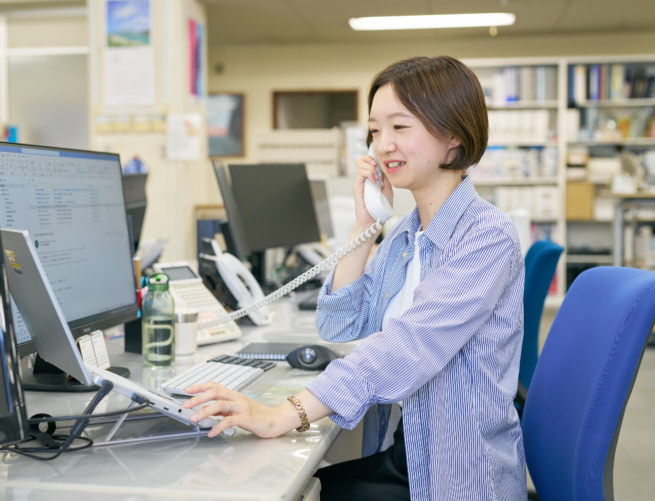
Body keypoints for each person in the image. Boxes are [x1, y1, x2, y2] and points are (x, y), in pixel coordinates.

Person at [184, 55, 526, 500]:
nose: (383, 145)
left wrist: (281, 415)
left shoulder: (485, 235)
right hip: (409, 450)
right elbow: (340, 324)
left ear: (453, 138)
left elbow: (407, 347)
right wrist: (366, 225)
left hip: (454, 473)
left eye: (400, 127)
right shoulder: (408, 232)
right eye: (375, 130)